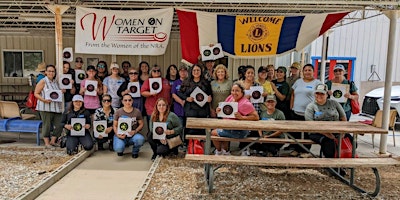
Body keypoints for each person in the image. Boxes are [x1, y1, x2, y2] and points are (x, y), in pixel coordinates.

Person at [305, 83, 352, 159]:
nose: (319, 95)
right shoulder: (310, 107)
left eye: (322, 93)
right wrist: (327, 134)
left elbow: (343, 118)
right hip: (317, 132)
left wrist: (342, 131)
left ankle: (345, 160)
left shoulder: (334, 103)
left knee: (351, 140)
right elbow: (311, 124)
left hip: (336, 130)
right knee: (329, 144)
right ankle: (331, 166)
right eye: (317, 93)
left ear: (327, 94)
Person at [211, 82, 259, 155]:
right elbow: (224, 109)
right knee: (222, 130)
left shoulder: (245, 103)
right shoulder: (230, 97)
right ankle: (225, 152)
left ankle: (219, 151)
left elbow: (256, 117)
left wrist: (242, 117)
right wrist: (219, 110)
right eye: (233, 90)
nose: (234, 93)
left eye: (237, 91)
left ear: (242, 92)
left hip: (239, 131)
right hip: (228, 127)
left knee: (213, 133)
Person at [288, 63, 322, 155]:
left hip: (309, 113)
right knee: (296, 132)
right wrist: (291, 106)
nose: (307, 72)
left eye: (309, 70)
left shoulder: (317, 83)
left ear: (313, 72)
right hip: (296, 111)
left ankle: (305, 151)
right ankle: (296, 149)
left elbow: (320, 97)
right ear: (302, 72)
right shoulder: (298, 82)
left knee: (307, 133)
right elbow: (293, 94)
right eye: (305, 70)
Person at [34, 64, 64, 149]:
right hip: (45, 107)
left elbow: (56, 94)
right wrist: (43, 100)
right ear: (46, 72)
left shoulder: (55, 82)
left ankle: (53, 141)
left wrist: (61, 91)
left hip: (56, 107)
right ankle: (47, 143)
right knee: (46, 125)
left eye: (53, 71)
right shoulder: (43, 81)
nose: (51, 73)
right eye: (49, 71)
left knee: (59, 124)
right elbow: (36, 93)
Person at [177, 64, 212, 136]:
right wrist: (186, 98)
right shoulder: (186, 82)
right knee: (190, 130)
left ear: (201, 71)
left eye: (198, 70)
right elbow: (179, 93)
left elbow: (210, 94)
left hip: (203, 110)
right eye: (194, 70)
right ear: (191, 72)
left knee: (201, 129)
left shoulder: (206, 82)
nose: (196, 72)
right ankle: (189, 145)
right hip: (190, 109)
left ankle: (200, 145)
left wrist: (209, 98)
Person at [113, 94, 145, 158]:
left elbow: (141, 123)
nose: (128, 102)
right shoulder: (118, 112)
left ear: (132, 101)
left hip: (132, 135)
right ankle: (120, 149)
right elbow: (115, 125)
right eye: (125, 100)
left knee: (140, 139)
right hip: (121, 135)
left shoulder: (137, 111)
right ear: (122, 101)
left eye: (129, 100)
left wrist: (135, 131)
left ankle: (135, 151)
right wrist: (117, 134)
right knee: (118, 148)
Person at [140, 64, 171, 130]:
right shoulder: (148, 81)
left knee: (164, 128)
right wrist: (151, 93)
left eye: (158, 70)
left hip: (164, 109)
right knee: (153, 129)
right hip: (152, 109)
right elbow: (142, 92)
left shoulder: (165, 80)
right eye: (154, 71)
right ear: (151, 72)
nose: (156, 72)